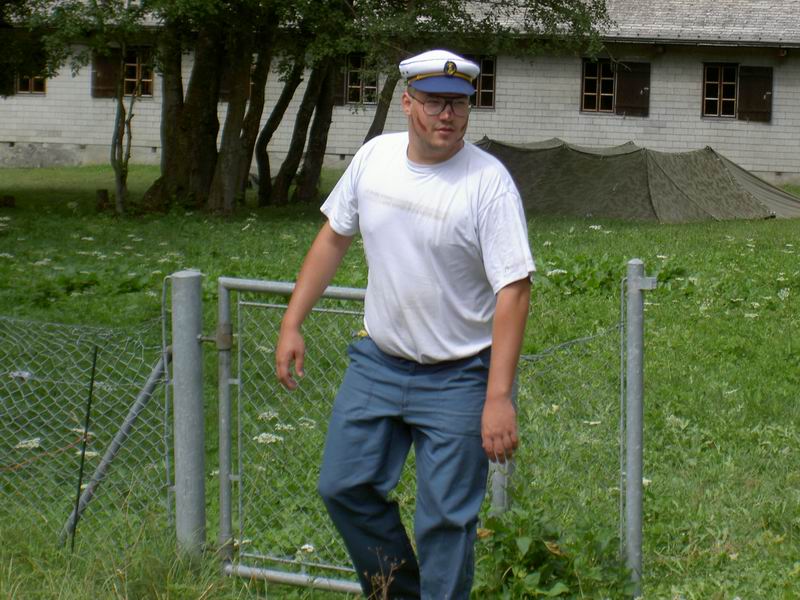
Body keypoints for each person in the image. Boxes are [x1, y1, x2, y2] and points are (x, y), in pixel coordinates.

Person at [275, 49, 535, 599]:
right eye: (435, 102)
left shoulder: (488, 184)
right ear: (407, 103)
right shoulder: (375, 158)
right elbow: (333, 238)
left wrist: (498, 397)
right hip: (379, 362)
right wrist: (292, 322)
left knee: (445, 523)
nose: (448, 115)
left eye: (459, 104)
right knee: (343, 487)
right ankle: (399, 593)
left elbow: (513, 290)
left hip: (460, 375)